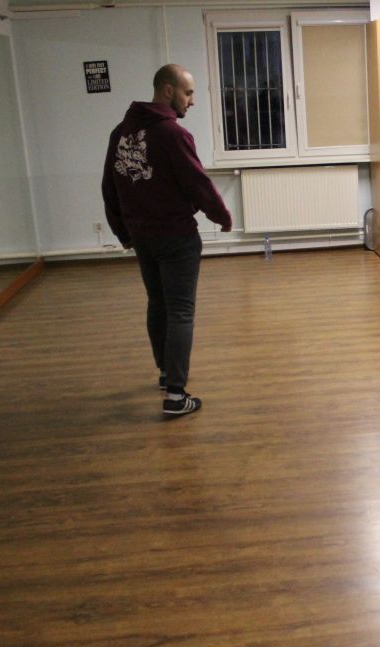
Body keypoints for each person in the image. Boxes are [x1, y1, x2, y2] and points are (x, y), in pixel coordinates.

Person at [102, 63, 231, 417]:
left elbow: (110, 187)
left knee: (157, 304)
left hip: (143, 238)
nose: (192, 101)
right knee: (180, 311)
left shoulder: (120, 133)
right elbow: (197, 183)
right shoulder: (173, 135)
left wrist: (123, 232)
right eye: (189, 93)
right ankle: (176, 395)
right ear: (168, 90)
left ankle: (165, 372)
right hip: (176, 238)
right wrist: (222, 216)